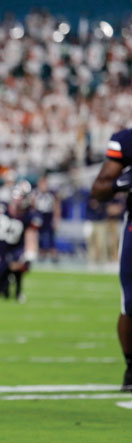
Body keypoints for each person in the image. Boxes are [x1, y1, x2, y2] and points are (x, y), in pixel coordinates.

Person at [91, 128, 132, 391]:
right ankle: (131, 366)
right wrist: (122, 183)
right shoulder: (126, 141)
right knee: (130, 303)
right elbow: (99, 189)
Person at [0, 180, 40, 302]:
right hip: (0, 251)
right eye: (17, 196)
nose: (18, 200)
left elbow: (31, 240)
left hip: (16, 251)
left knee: (18, 261)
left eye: (21, 197)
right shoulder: (1, 207)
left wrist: (27, 258)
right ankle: (6, 286)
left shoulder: (30, 216)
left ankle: (18, 291)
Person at [33, 175, 60, 262]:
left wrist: (56, 218)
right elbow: (33, 205)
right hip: (39, 215)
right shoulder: (35, 193)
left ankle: (53, 253)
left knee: (51, 235)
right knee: (40, 236)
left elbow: (56, 206)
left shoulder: (51, 194)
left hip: (49, 215)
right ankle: (41, 252)